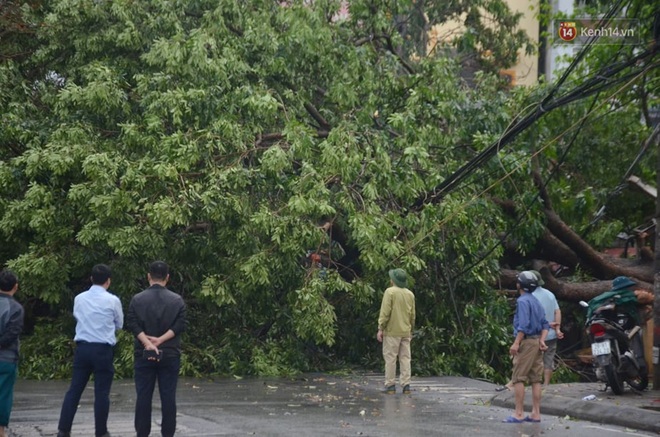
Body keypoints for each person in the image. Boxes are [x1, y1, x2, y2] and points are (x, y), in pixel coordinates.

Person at [57, 264, 124, 437]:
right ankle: (101, 432)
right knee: (102, 392)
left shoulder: (79, 298)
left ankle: (63, 429)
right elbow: (119, 324)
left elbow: (76, 316)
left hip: (83, 348)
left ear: (91, 279)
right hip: (103, 349)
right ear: (108, 281)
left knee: (75, 389)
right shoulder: (113, 300)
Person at [127, 261, 186, 437]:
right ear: (167, 278)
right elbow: (180, 325)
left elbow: (132, 323)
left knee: (143, 396)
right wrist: (160, 340)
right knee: (168, 397)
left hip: (144, 354)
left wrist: (148, 343)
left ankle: (142, 433)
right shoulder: (177, 300)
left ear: (148, 277)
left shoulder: (137, 299)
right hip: (169, 353)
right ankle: (168, 433)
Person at [503, 271, 549, 423]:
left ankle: (519, 413)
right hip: (537, 342)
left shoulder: (523, 301)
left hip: (527, 342)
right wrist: (542, 340)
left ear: (519, 285)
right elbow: (545, 324)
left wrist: (516, 343)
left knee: (518, 378)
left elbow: (523, 325)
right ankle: (536, 413)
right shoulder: (536, 301)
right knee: (536, 379)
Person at [377, 268, 415, 395]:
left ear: (393, 280)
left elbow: (385, 312)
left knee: (390, 358)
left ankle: (390, 385)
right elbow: (412, 315)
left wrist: (380, 328)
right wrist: (411, 330)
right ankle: (406, 386)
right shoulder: (410, 294)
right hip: (405, 331)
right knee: (405, 358)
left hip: (392, 331)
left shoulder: (390, 292)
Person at [0, 270, 24, 437]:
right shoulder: (16, 308)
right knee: (3, 395)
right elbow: (12, 334)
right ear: (15, 287)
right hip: (6, 359)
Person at [530, 270, 564, 386]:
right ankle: (546, 384)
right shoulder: (550, 294)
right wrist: (558, 329)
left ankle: (535, 384)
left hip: (536, 335)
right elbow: (557, 311)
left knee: (534, 360)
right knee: (548, 359)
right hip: (551, 334)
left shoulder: (530, 297)